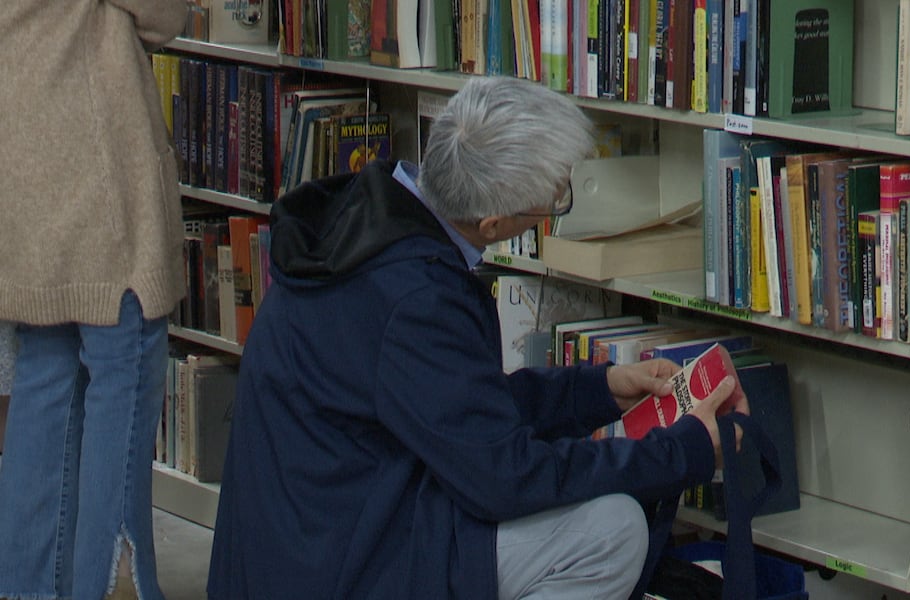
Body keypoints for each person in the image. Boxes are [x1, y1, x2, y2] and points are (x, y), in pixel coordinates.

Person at [207, 75, 745, 599]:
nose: (558, 204)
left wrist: (597, 390)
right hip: (339, 560)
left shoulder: (369, 219)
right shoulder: (414, 297)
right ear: (493, 225)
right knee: (611, 531)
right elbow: (504, 477)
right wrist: (683, 452)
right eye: (554, 199)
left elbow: (448, 407)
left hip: (308, 534)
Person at [0, 1, 189, 599]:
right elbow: (165, 14)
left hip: (23, 165)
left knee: (44, 379)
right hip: (100, 173)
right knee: (123, 375)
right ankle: (115, 586)